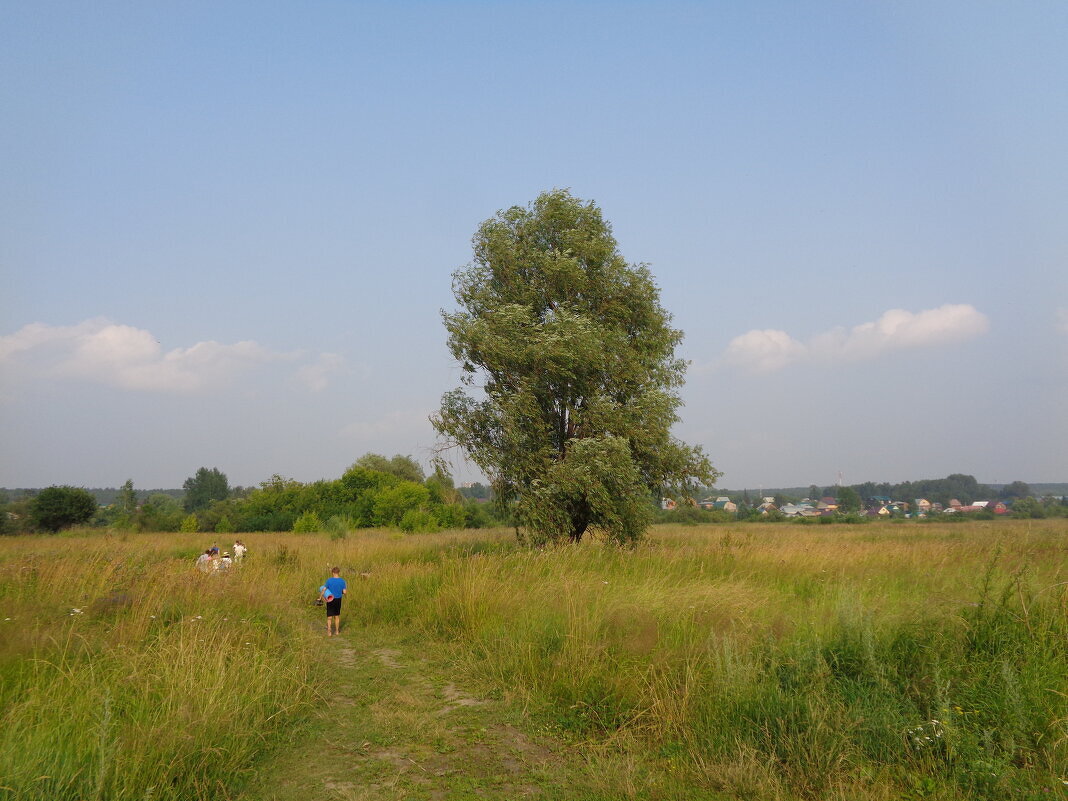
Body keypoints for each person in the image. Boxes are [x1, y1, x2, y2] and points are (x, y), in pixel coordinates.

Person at [318, 566, 347, 636]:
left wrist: (320, 597)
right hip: (338, 600)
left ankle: (329, 632)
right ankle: (337, 631)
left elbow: (324, 589)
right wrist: (343, 594)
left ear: (333, 573)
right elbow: (344, 592)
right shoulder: (343, 581)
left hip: (330, 599)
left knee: (329, 617)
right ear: (338, 572)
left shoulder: (329, 580)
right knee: (336, 616)